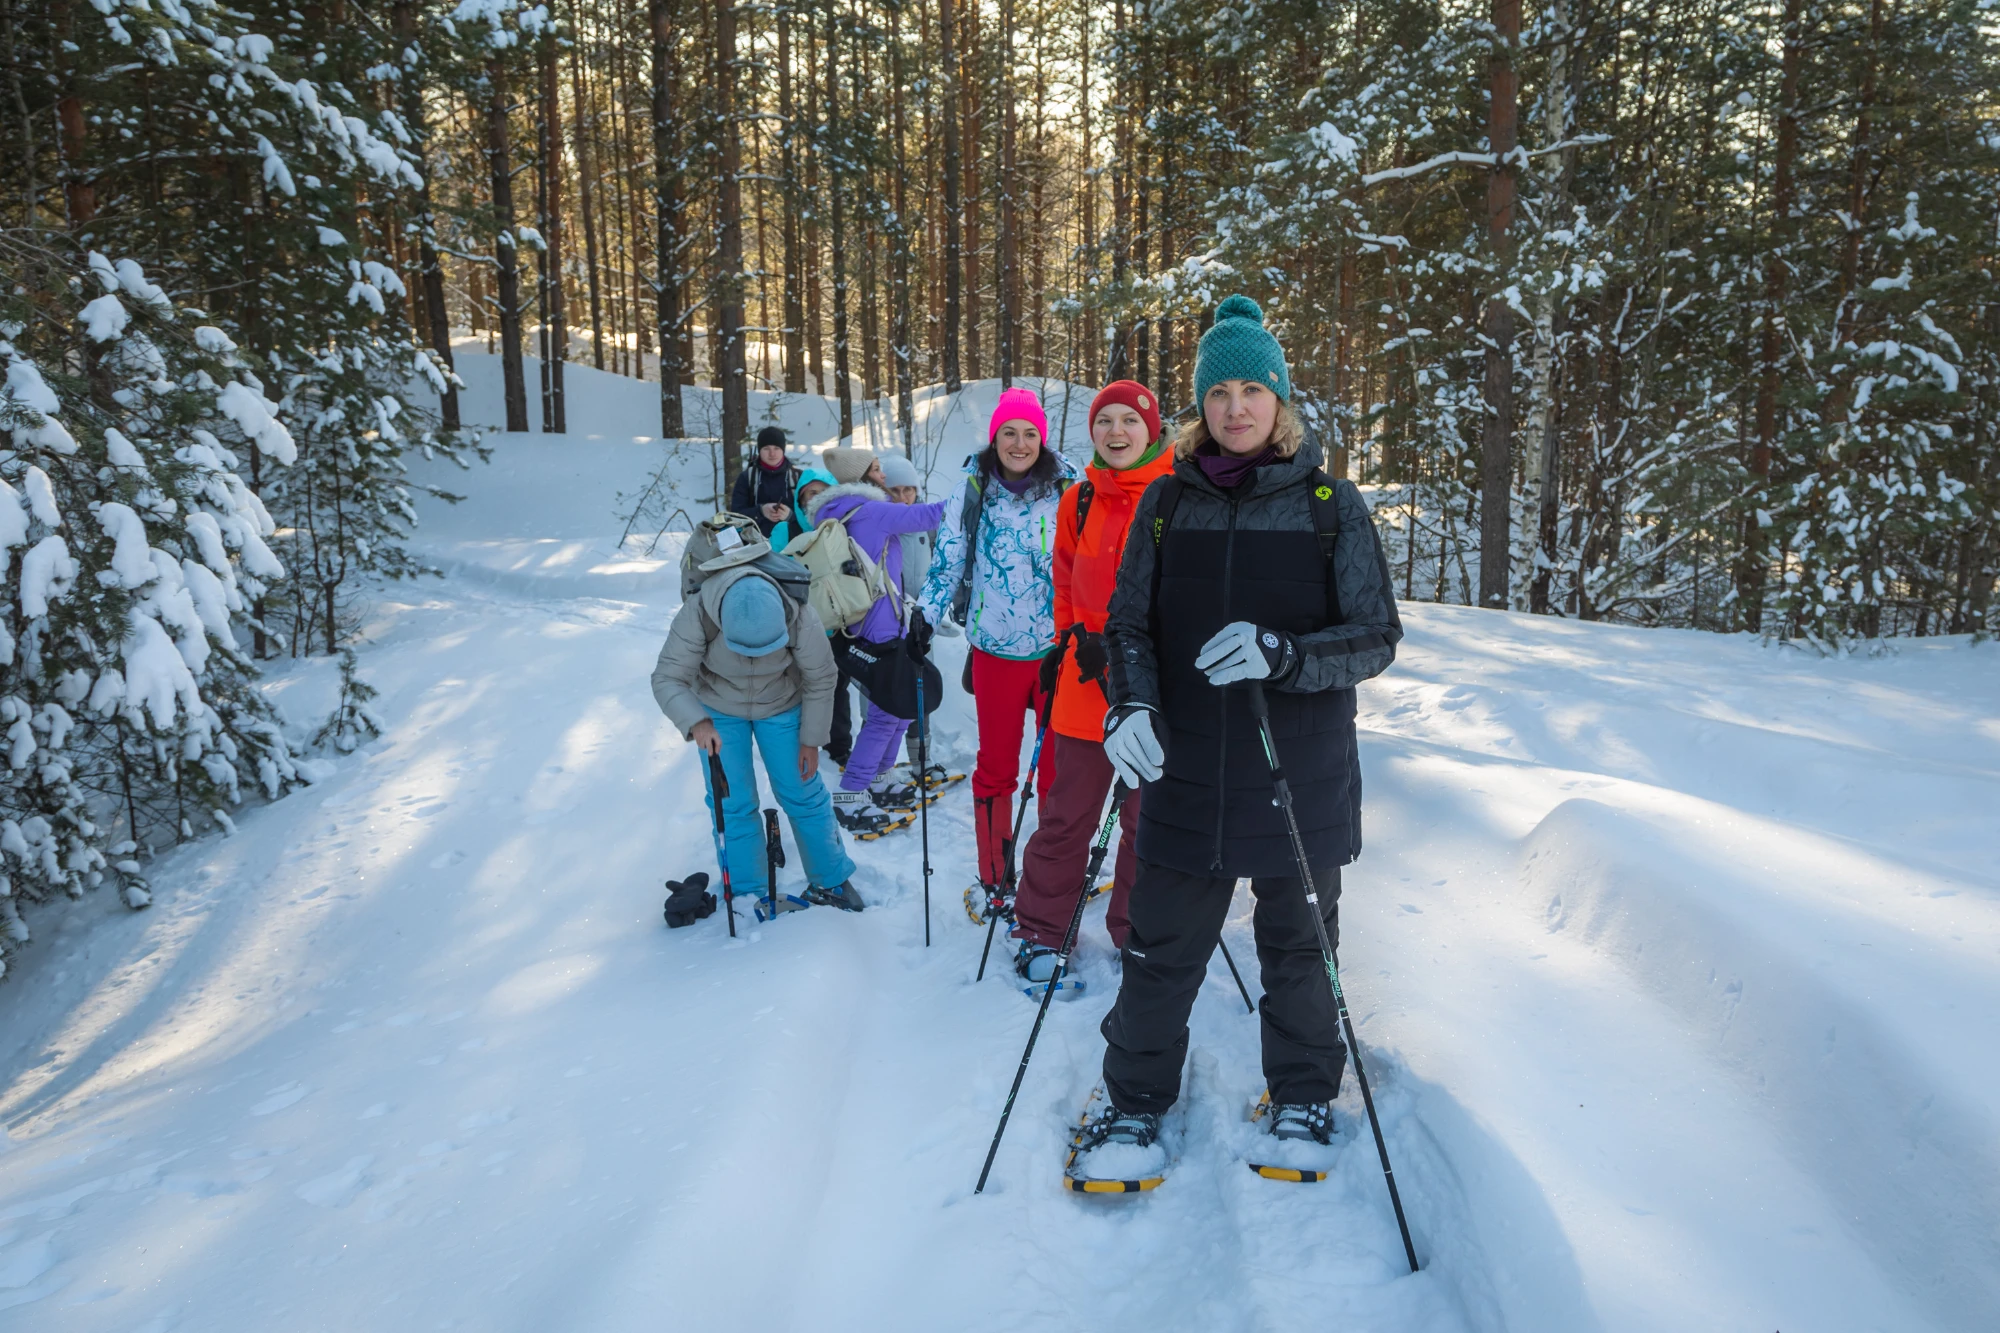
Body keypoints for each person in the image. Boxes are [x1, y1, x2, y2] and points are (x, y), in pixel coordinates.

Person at [1068, 295, 1403, 1178]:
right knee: (1161, 945)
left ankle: (1299, 1094)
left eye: (1254, 388)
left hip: (1298, 772)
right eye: (1220, 392)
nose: (1236, 407)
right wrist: (1129, 705)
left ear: (1280, 400)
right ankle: (1135, 1103)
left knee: (1297, 943)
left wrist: (1282, 653)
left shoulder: (1330, 505)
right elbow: (1127, 626)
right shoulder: (1169, 503)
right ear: (1200, 408)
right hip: (1183, 768)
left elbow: (1375, 636)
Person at [1007, 380, 1175, 991]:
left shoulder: (1181, 496)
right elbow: (1062, 581)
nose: (1116, 433)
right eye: (1105, 422)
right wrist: (1065, 640)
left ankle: (1140, 932)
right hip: (1085, 679)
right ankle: (1040, 928)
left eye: (1129, 420)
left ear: (1151, 428)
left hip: (1156, 686)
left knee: (1146, 821)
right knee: (1066, 815)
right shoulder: (1078, 500)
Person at [650, 521, 864, 913]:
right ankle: (747, 889)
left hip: (782, 702)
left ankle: (831, 879)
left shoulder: (798, 611)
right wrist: (696, 721)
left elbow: (821, 676)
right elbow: (667, 677)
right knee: (730, 800)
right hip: (717, 708)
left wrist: (810, 738)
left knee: (802, 793)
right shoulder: (699, 611)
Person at [920, 387, 1075, 902]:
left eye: (1030, 433)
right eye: (1009, 432)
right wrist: (925, 616)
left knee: (1057, 773)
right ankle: (995, 873)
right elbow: (947, 559)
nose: (1019, 442)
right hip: (996, 652)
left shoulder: (1070, 485)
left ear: (1042, 440)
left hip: (1059, 653)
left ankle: (1051, 876)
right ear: (995, 438)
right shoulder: (972, 487)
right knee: (996, 769)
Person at [810, 445, 946, 837]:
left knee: (899, 705)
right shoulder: (870, 509)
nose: (884, 477)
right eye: (876, 470)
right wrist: (977, 486)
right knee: (888, 710)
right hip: (880, 625)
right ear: (861, 476)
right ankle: (852, 793)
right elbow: (930, 514)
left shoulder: (834, 511)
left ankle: (881, 778)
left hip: (860, 622)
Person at [879, 453, 953, 789]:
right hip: (885, 622)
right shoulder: (877, 522)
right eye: (895, 490)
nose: (903, 497)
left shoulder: (926, 522)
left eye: (909, 490)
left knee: (922, 692)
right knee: (885, 695)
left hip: (921, 621)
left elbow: (943, 564)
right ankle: (881, 767)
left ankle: (921, 760)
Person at [730, 426, 800, 538]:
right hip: (756, 545)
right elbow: (735, 516)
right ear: (759, 450)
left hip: (791, 546)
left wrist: (790, 515)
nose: (772, 454)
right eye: (766, 448)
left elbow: (810, 517)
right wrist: (760, 511)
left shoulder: (797, 477)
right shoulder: (747, 477)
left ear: (783, 450)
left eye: (776, 448)